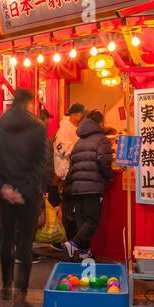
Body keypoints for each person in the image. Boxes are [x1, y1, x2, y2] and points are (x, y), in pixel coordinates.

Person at [0, 87, 51, 307]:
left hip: (4, 194)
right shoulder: (39, 127)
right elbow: (43, 164)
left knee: (7, 239)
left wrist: (3, 188)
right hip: (28, 195)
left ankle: (5, 286)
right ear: (29, 103)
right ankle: (21, 296)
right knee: (24, 243)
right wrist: (26, 190)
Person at [63, 110, 114, 259]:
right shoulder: (102, 139)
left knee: (82, 221)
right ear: (99, 123)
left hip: (77, 187)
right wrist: (109, 177)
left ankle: (85, 252)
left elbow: (72, 165)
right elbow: (103, 161)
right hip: (92, 186)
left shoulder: (79, 141)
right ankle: (73, 245)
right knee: (92, 221)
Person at [53, 103, 86, 241]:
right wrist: (79, 147)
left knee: (72, 210)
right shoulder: (64, 130)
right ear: (73, 114)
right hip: (66, 174)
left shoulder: (74, 128)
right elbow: (62, 150)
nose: (81, 117)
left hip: (73, 174)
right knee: (69, 211)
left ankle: (71, 242)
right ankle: (68, 241)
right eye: (79, 114)